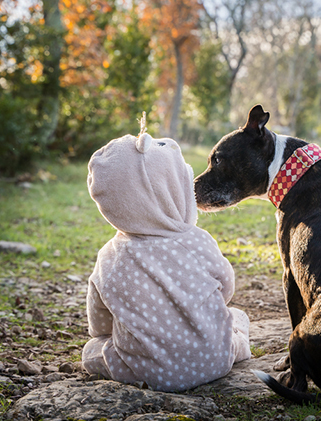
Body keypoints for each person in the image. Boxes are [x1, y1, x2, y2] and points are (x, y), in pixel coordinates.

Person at [81, 118, 251, 392]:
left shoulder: (109, 258)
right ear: (176, 190)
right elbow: (225, 288)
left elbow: (99, 321)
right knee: (235, 318)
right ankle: (238, 344)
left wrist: (106, 335)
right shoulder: (196, 241)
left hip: (146, 370)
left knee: (93, 350)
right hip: (214, 361)